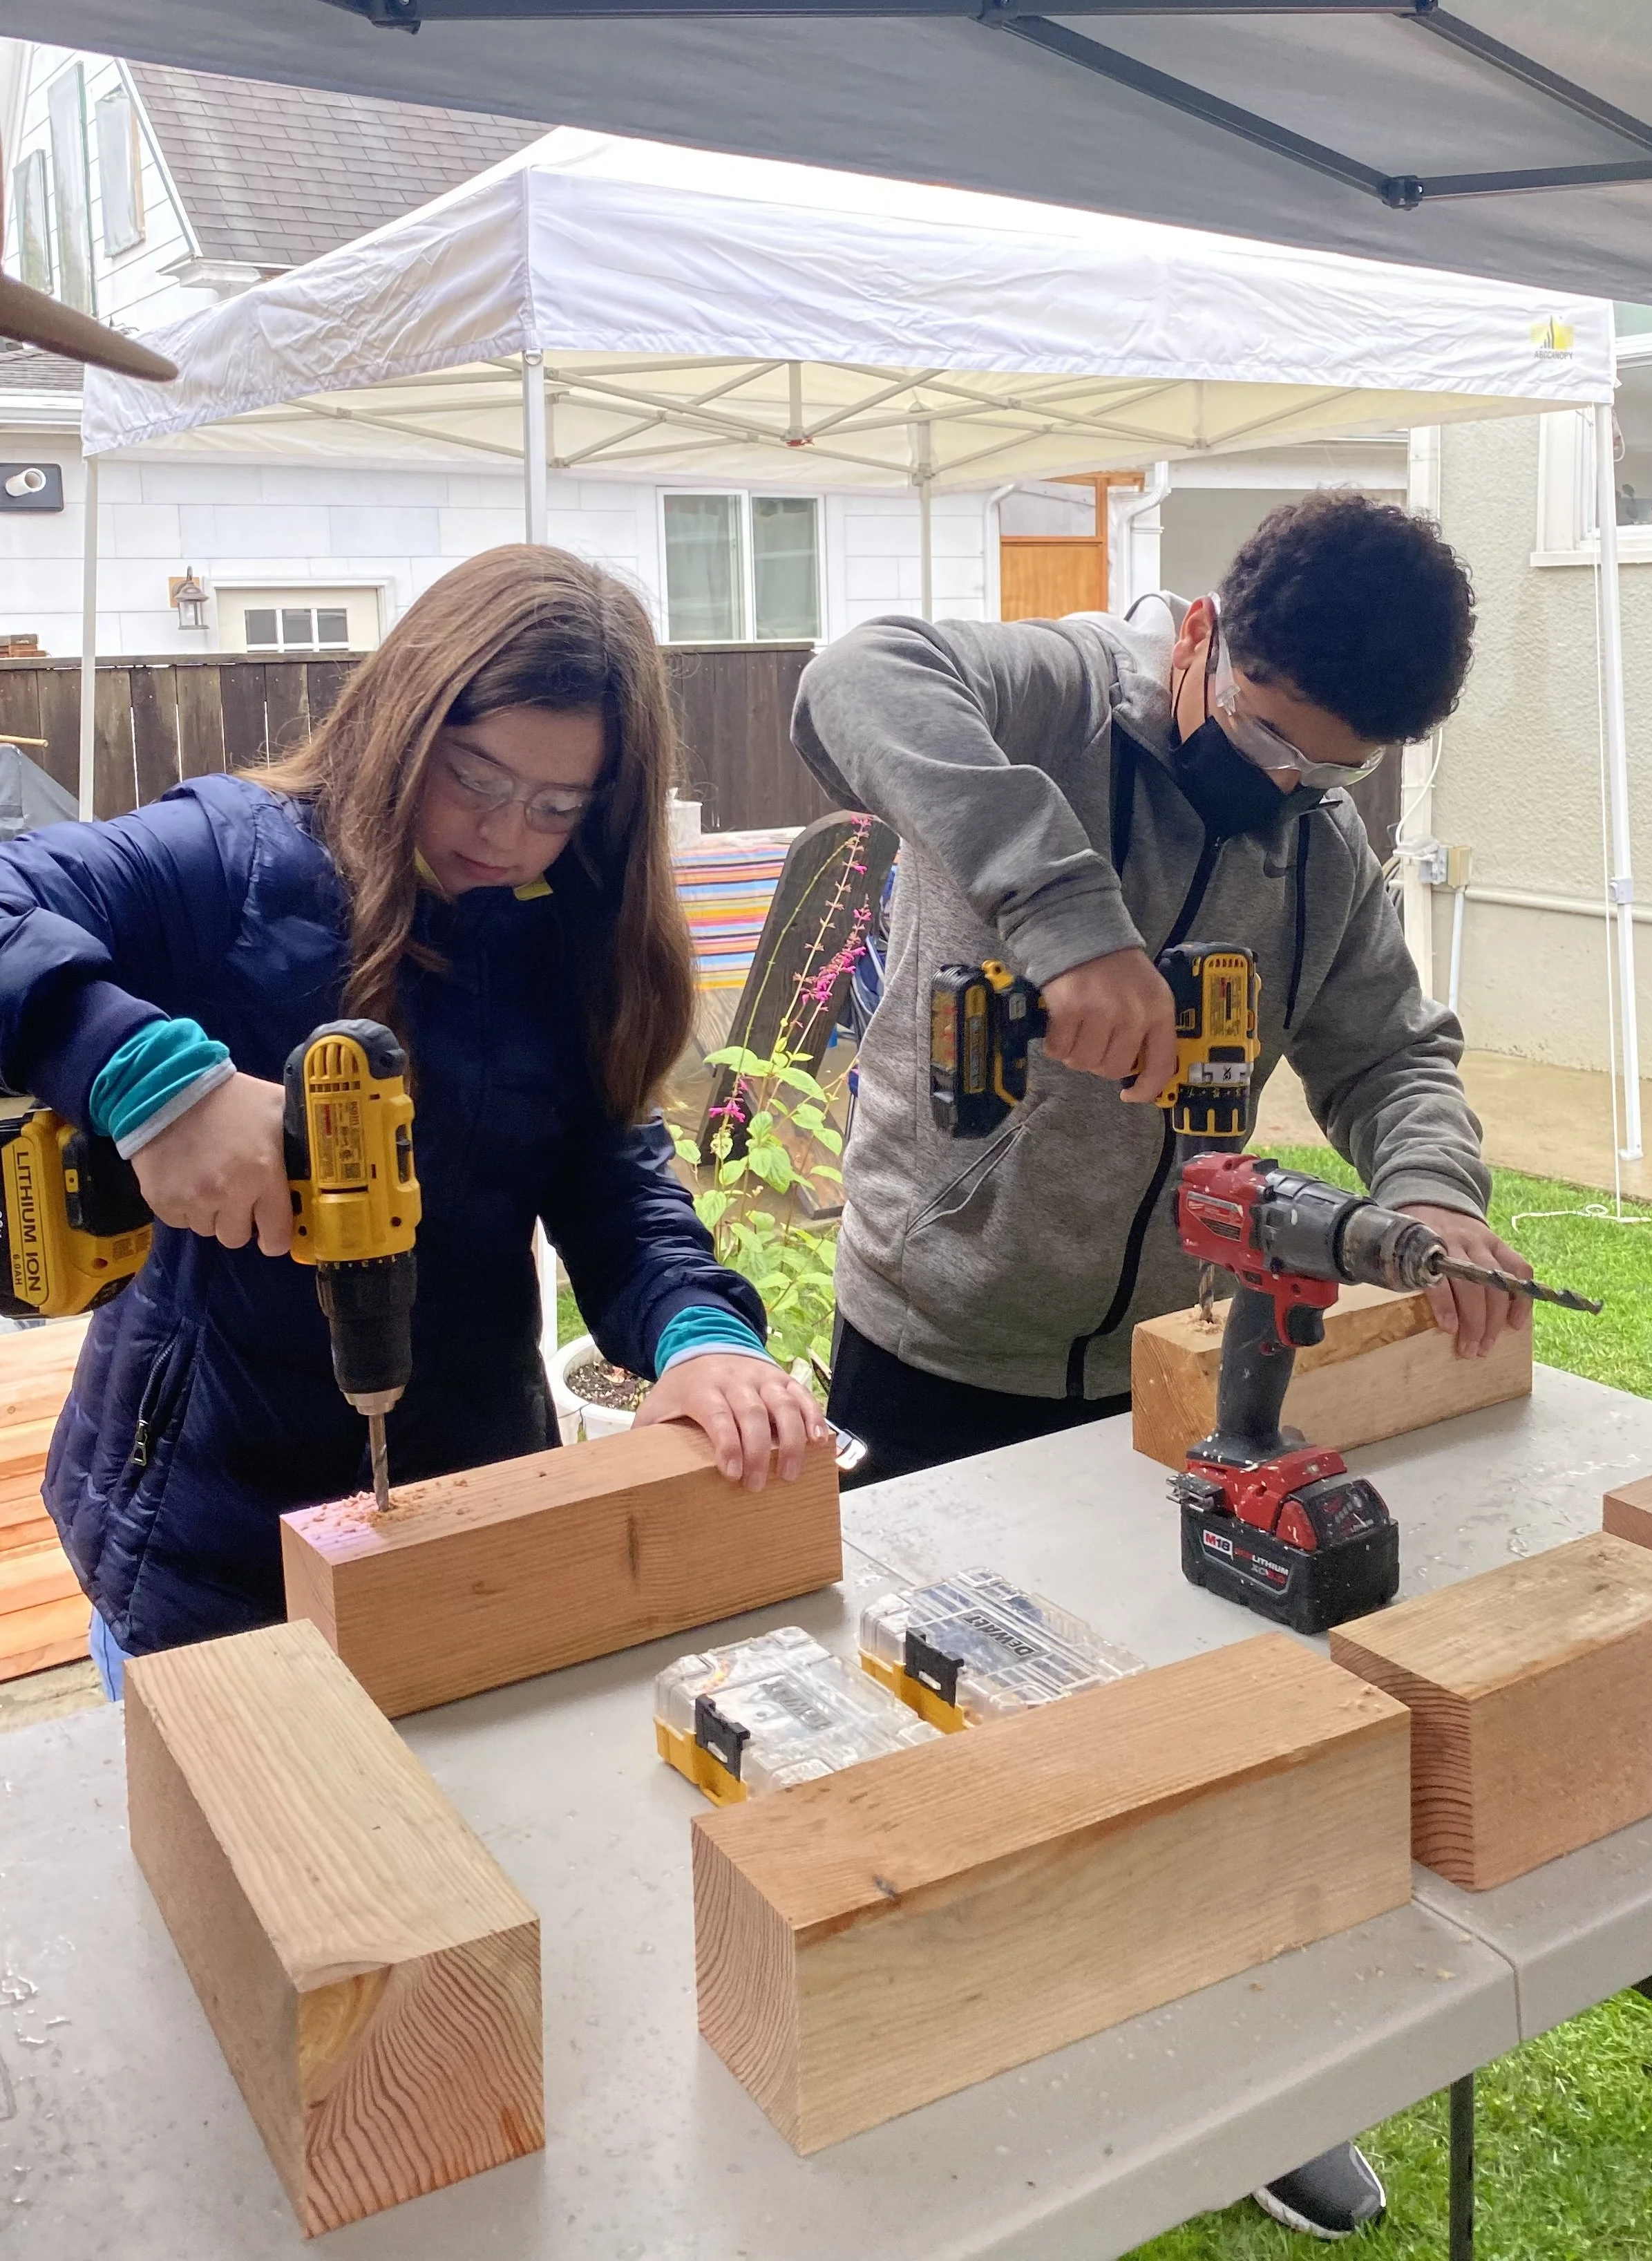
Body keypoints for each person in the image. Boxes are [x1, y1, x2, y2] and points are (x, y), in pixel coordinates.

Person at [792, 489, 1529, 2240]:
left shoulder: (1318, 851)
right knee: (933, 1717)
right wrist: (1062, 908)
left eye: (1330, 774)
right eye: (1274, 740)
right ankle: (937, 2062)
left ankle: (1243, 2080)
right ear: (1200, 637)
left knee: (1180, 1714)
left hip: (1166, 1369)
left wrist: (1433, 1191)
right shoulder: (1049, 694)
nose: (1289, 789)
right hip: (935, 1338)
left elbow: (1392, 1054)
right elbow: (852, 673)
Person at [9, 547, 824, 1692]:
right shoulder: (232, 863)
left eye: (556, 806)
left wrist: (700, 1337)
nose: (505, 836)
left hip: (463, 1518)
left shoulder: (568, 934)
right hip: (208, 1552)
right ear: (407, 715)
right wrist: (147, 1077)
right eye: (478, 778)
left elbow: (615, 1191)